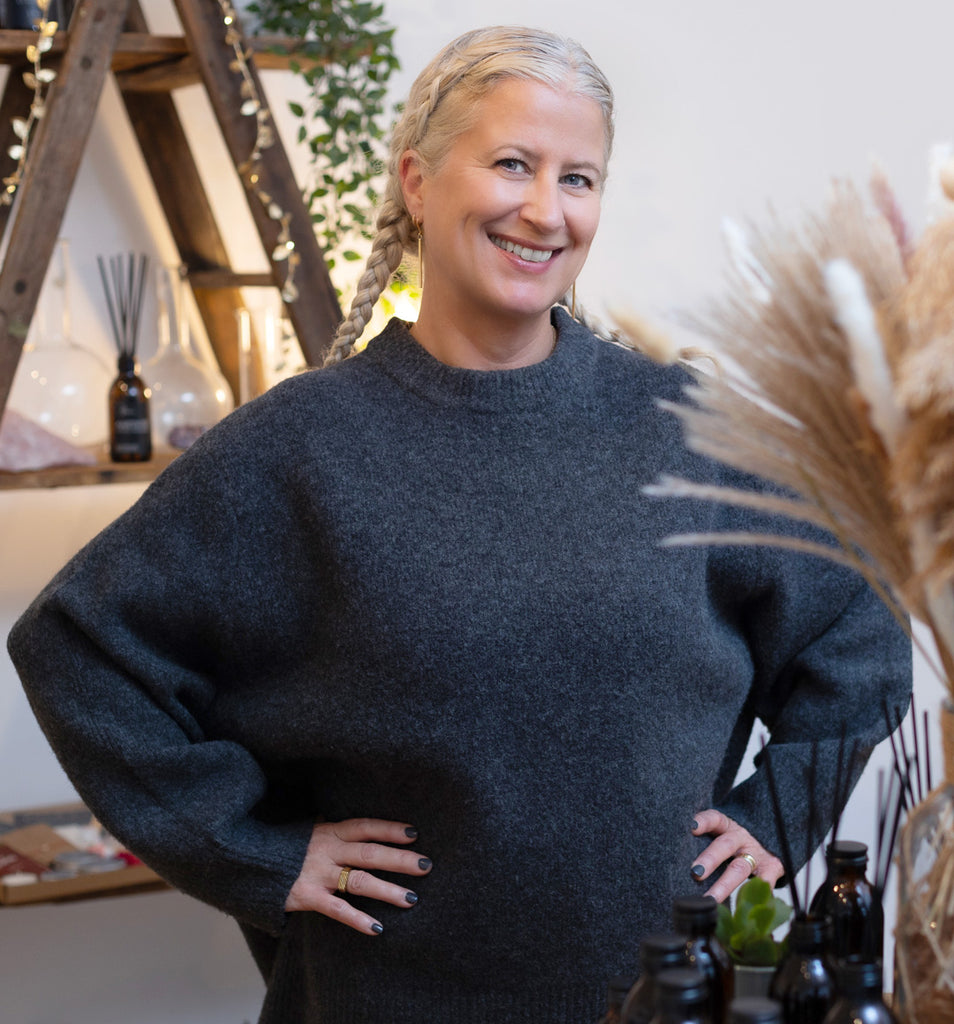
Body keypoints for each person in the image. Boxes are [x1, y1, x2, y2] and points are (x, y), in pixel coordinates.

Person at [7, 24, 909, 1024]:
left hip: (662, 997)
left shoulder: (690, 429)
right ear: (417, 182)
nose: (544, 210)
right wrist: (254, 849)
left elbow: (856, 635)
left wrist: (776, 820)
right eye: (512, 164)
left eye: (579, 178)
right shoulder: (295, 447)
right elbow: (80, 644)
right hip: (385, 997)